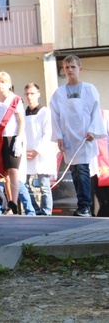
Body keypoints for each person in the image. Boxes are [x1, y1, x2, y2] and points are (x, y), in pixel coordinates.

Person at [50, 55, 106, 217]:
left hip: (84, 137)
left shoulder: (89, 89)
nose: (69, 70)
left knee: (82, 170)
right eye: (66, 68)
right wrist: (59, 137)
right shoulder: (59, 93)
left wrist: (93, 130)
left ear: (79, 69)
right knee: (74, 171)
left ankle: (85, 206)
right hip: (69, 138)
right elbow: (55, 116)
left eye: (73, 67)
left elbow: (96, 111)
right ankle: (83, 204)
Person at [0, 72, 26, 215]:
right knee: (4, 173)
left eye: (3, 82)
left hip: (13, 137)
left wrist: (19, 138)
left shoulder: (15, 100)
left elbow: (21, 120)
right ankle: (9, 204)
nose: (0, 85)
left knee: (13, 170)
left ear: (9, 84)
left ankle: (14, 202)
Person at [23, 82, 57, 216]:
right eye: (27, 94)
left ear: (38, 94)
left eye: (32, 93)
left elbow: (47, 133)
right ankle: (34, 209)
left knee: (44, 185)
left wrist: (37, 150)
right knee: (24, 185)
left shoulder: (45, 112)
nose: (29, 96)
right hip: (26, 153)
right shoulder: (23, 113)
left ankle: (46, 212)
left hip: (41, 153)